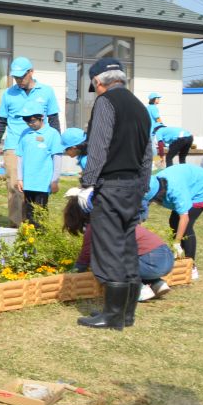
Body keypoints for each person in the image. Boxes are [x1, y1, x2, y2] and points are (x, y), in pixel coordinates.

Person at [67, 57, 152, 330]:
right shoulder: (140, 107)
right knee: (127, 247)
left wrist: (88, 183)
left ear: (97, 82)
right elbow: (147, 153)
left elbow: (99, 146)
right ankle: (127, 314)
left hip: (111, 186)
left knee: (109, 249)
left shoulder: (106, 102)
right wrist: (143, 186)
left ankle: (112, 316)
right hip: (133, 186)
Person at [64, 201, 175, 310]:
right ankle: (157, 283)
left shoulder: (94, 227)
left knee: (102, 263)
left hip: (150, 262)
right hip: (166, 258)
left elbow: (85, 258)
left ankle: (138, 290)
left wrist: (69, 275)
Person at [0, 57, 61, 226]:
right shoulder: (9, 94)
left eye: (22, 76)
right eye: (16, 77)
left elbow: (53, 119)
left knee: (37, 186)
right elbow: (1, 120)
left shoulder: (47, 91)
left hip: (40, 146)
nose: (19, 80)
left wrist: (56, 144)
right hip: (14, 145)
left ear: (31, 72)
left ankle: (36, 225)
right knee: (15, 186)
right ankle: (16, 226)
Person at [145, 164, 203, 275]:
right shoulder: (153, 183)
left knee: (186, 228)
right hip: (187, 182)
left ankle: (191, 266)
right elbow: (144, 205)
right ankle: (177, 257)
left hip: (202, 188)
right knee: (173, 221)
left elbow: (184, 218)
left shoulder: (176, 191)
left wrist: (176, 242)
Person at [15, 112, 64, 228]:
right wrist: (20, 178)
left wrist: (55, 180)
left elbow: (57, 159)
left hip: (43, 182)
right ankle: (30, 234)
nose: (30, 124)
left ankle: (41, 235)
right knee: (28, 212)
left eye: (33, 121)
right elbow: (20, 157)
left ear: (41, 118)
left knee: (40, 211)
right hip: (28, 181)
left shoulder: (52, 134)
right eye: (27, 122)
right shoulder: (25, 133)